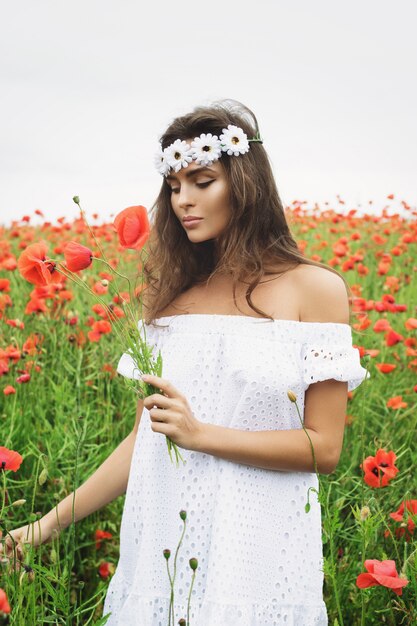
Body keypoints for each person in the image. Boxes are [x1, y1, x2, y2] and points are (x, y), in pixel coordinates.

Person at [1, 99, 369, 625]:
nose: (183, 201)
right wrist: (42, 528)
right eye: (174, 187)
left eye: (202, 180)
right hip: (163, 550)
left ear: (245, 183)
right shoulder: (167, 298)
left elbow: (324, 448)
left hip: (258, 554)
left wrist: (202, 434)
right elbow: (145, 441)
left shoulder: (314, 290)